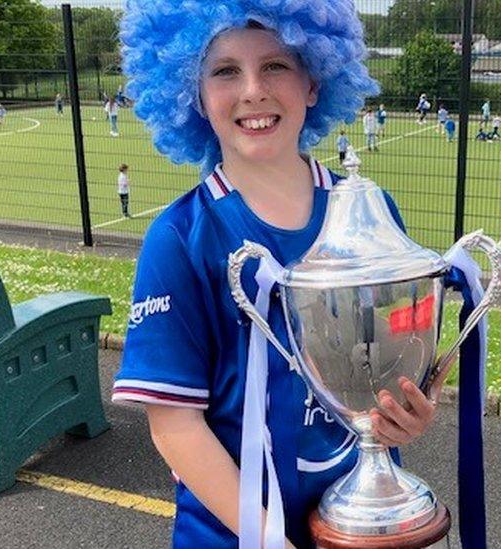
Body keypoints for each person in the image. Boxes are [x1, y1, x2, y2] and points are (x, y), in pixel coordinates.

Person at [111, 6, 450, 548]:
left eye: (275, 66)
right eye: (224, 71)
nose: (252, 90)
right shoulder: (179, 237)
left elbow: (394, 362)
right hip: (233, 535)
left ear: (314, 81)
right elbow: (174, 426)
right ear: (191, 94)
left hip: (363, 525)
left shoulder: (370, 210)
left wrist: (407, 413)